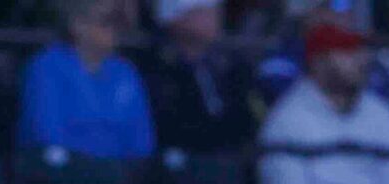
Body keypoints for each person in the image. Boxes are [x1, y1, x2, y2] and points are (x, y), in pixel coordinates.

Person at [258, 18, 389, 184]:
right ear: (318, 61)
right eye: (347, 52)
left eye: (361, 51)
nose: (361, 60)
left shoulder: (382, 114)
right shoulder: (287, 117)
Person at [18, 0, 153, 159]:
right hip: (63, 176)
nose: (115, 29)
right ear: (77, 25)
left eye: (118, 21)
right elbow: (47, 137)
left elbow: (142, 141)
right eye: (106, 21)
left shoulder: (125, 71)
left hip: (123, 177)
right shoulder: (46, 68)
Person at [145, 0, 256, 157]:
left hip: (230, 166)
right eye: (202, 11)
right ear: (176, 19)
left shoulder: (232, 66)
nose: (213, 16)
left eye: (213, 10)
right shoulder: (158, 70)